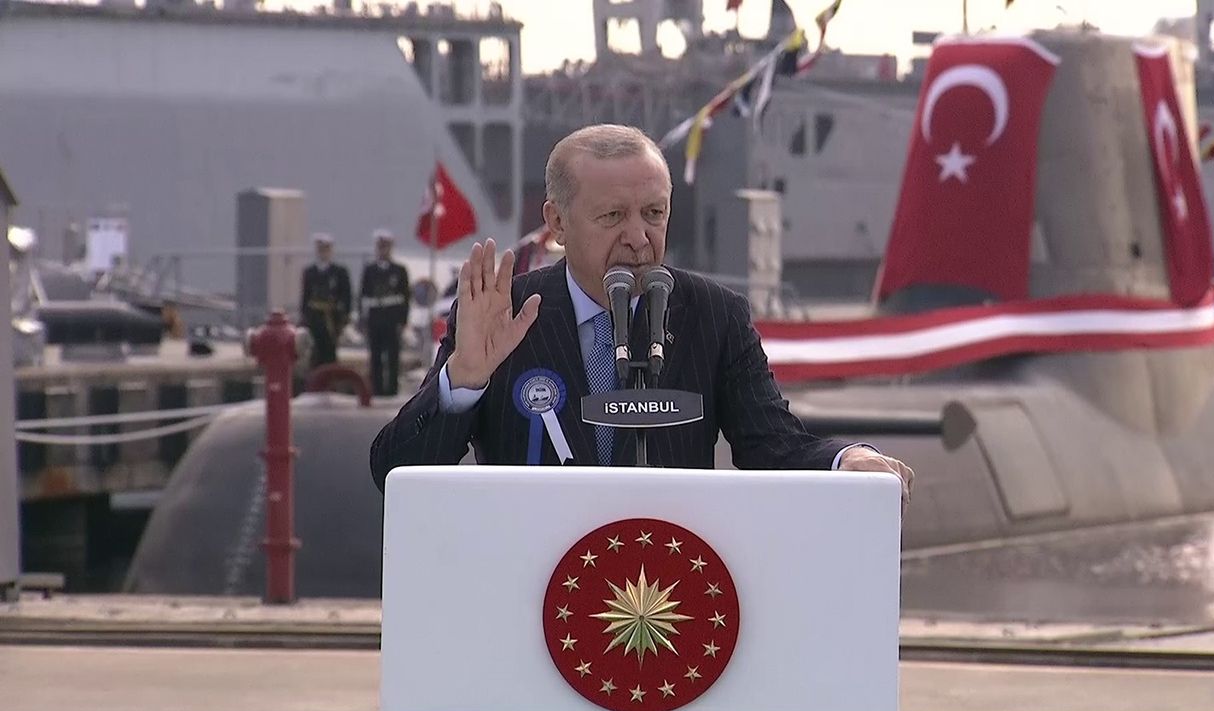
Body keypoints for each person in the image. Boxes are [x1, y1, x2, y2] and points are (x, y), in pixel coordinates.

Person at [368, 124, 913, 503]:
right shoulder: (503, 316)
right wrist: (463, 381)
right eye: (612, 217)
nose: (638, 237)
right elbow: (394, 471)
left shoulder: (714, 316)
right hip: (536, 592)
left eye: (654, 213)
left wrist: (847, 460)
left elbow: (774, 446)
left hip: (667, 592)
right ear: (556, 223)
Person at [360, 230, 410, 396]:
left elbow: (405, 297)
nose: (383, 250)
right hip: (375, 318)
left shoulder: (399, 270)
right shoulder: (370, 270)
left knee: (392, 354)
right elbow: (363, 296)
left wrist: (403, 320)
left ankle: (392, 389)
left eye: (386, 246)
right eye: (380, 247)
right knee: (375, 355)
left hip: (392, 318)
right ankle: (377, 389)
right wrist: (363, 321)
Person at [299, 233, 352, 370]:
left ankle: (330, 378)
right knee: (314, 352)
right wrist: (304, 317)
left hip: (331, 318)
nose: (323, 252)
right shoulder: (310, 272)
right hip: (314, 316)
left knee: (330, 351)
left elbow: (346, 295)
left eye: (326, 249)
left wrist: (345, 317)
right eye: (321, 249)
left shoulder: (339, 271)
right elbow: (306, 296)